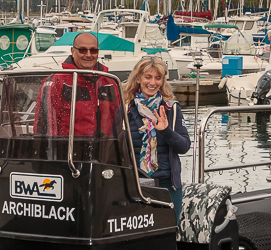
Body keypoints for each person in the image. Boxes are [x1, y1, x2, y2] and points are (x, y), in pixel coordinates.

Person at [123, 56, 190, 222]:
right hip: (134, 184)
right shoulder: (125, 108)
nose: (152, 83)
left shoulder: (171, 108)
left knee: (168, 235)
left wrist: (166, 131)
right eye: (148, 77)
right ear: (138, 78)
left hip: (167, 183)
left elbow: (184, 147)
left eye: (157, 78)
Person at [34, 32, 121, 137]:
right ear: (72, 51)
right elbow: (44, 126)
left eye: (93, 51)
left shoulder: (110, 83)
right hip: (68, 150)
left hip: (104, 150)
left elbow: (118, 123)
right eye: (82, 50)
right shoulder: (56, 83)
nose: (88, 55)